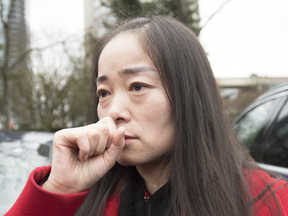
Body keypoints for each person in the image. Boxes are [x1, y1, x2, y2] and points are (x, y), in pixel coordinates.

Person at [5, 16, 288, 216]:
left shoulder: (270, 201)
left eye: (137, 86)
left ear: (189, 95)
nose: (113, 112)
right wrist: (60, 187)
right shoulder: (81, 201)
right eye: (104, 93)